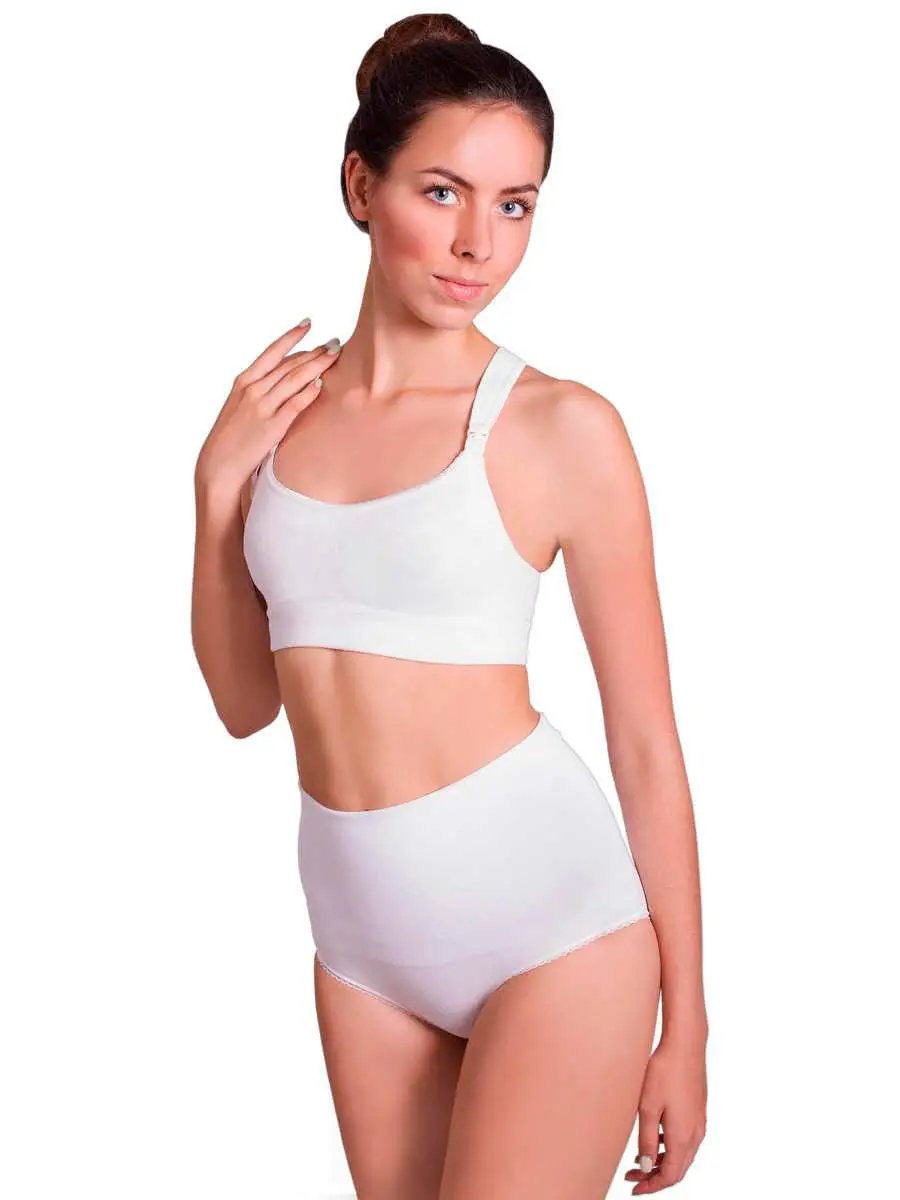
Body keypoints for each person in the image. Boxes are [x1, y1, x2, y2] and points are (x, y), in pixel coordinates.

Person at [192, 13, 708, 1199]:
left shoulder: (561, 428)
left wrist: (687, 1024)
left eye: (516, 205)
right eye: (443, 192)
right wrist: (215, 490)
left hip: (554, 929)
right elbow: (242, 704)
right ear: (359, 186)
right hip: (361, 949)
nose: (480, 242)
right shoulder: (278, 424)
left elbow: (645, 743)